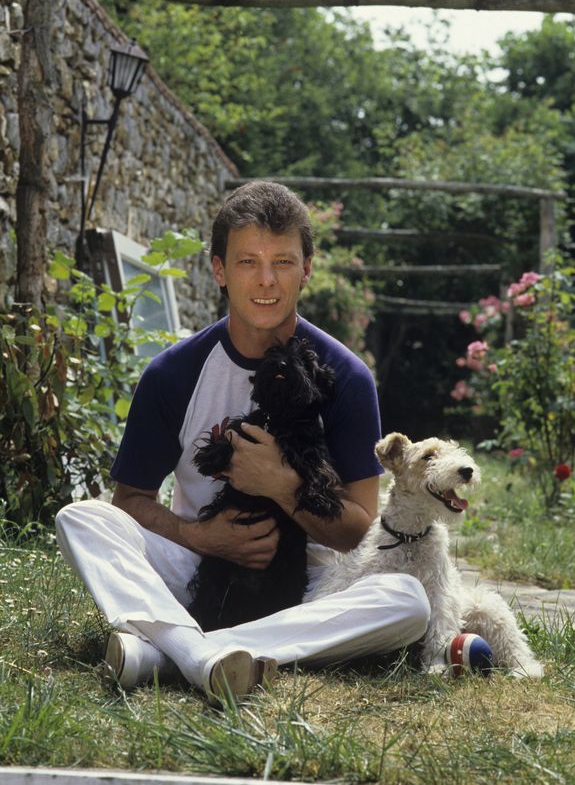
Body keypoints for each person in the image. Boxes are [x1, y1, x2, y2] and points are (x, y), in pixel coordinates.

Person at [55, 181, 430, 704]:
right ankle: (210, 655)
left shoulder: (344, 376)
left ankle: (175, 652)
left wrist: (282, 485)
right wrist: (202, 538)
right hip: (196, 565)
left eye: (283, 261)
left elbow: (358, 532)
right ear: (218, 270)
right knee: (82, 518)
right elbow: (131, 501)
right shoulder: (173, 374)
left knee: (408, 600)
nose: (267, 280)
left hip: (311, 584)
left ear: (307, 269)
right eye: (248, 261)